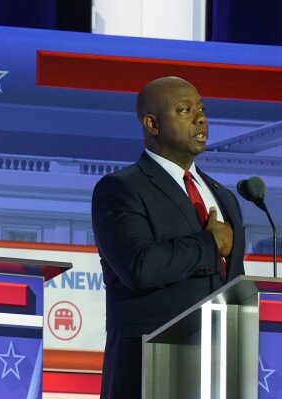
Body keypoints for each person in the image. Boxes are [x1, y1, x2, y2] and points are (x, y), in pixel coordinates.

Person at [91, 76, 245, 399]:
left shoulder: (223, 197)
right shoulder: (121, 189)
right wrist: (209, 244)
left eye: (201, 109)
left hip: (221, 371)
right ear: (152, 124)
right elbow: (140, 266)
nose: (200, 118)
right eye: (185, 110)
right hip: (149, 369)